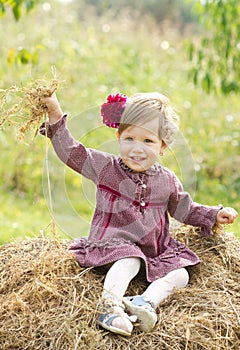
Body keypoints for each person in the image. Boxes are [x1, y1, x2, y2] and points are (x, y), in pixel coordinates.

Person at [40, 91, 238, 337]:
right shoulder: (106, 168)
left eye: (148, 141)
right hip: (112, 246)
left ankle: (145, 302)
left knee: (180, 273)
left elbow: (184, 208)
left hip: (153, 252)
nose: (137, 148)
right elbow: (71, 151)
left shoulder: (166, 180)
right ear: (118, 137)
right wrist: (56, 114)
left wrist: (213, 215)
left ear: (163, 146)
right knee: (129, 259)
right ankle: (109, 305)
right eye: (130, 138)